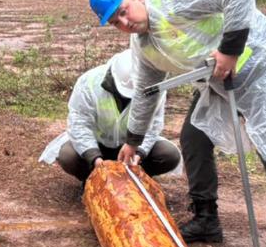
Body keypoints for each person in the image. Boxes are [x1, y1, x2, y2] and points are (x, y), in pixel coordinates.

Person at [88, 0, 266, 247]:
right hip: (221, 81)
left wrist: (229, 49)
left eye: (123, 11)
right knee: (193, 138)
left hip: (264, 68)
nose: (124, 22)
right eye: (115, 21)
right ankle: (206, 218)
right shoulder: (144, 46)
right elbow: (146, 91)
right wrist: (133, 140)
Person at [39, 49, 181, 182]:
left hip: (131, 147)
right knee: (68, 156)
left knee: (169, 155)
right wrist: (94, 157)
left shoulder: (152, 88)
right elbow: (79, 124)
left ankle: (135, 178)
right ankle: (94, 180)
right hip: (98, 143)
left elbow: (152, 125)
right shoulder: (88, 83)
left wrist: (139, 153)